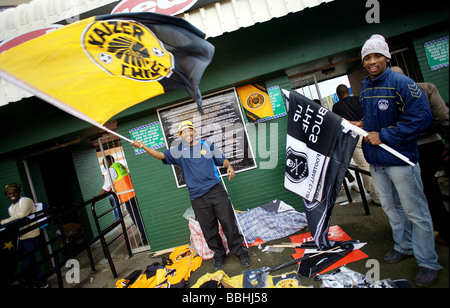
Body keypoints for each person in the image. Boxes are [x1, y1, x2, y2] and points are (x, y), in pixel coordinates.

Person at [353, 34, 440, 287]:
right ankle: (404, 245)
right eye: (367, 57)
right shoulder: (367, 86)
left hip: (400, 160)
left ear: (386, 57)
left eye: (376, 56)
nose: (371, 61)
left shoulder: (402, 82)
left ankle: (428, 262)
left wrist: (385, 135)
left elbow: (421, 118)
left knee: (416, 211)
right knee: (391, 208)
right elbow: (376, 120)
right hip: (376, 161)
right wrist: (362, 124)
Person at [132, 120, 250, 271]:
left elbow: (222, 159)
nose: (187, 133)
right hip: (197, 197)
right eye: (184, 132)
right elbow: (160, 155)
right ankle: (219, 255)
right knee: (209, 229)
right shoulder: (178, 151)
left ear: (194, 132)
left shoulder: (206, 145)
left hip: (216, 190)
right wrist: (143, 146)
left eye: (190, 130)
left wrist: (230, 166)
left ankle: (240, 251)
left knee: (228, 222)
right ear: (181, 135)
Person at [391, 66, 449, 245]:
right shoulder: (427, 88)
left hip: (410, 150)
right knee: (434, 187)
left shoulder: (390, 98)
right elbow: (443, 117)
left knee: (428, 190)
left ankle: (442, 230)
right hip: (434, 144)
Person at [333, 84, 380, 205]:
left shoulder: (337, 107)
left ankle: (377, 197)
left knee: (364, 166)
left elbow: (339, 125)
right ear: (348, 92)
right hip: (368, 133)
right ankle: (371, 189)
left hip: (353, 137)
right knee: (375, 163)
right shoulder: (359, 99)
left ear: (338, 95)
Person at [1, 183, 48, 288]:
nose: (12, 195)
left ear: (18, 192)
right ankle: (41, 282)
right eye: (9, 193)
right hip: (21, 237)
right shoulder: (10, 208)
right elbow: (14, 221)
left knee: (26, 262)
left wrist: (2, 222)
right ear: (6, 195)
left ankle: (27, 283)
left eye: (14, 192)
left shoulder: (26, 201)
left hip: (31, 235)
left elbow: (21, 216)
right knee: (30, 260)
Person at [96, 155, 148, 246]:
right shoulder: (120, 166)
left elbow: (107, 185)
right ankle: (146, 235)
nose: (104, 165)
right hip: (132, 194)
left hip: (128, 196)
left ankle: (145, 237)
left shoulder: (112, 169)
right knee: (139, 216)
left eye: (104, 162)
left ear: (108, 161)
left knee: (136, 218)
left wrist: (98, 196)